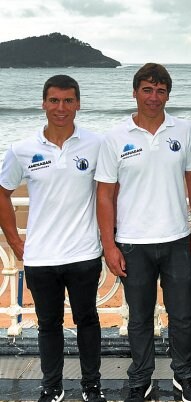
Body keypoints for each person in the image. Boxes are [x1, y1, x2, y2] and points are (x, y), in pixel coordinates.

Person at [95, 63, 191, 402]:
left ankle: (184, 376)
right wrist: (109, 244)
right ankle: (140, 378)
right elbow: (105, 193)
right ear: (135, 92)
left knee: (183, 315)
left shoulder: (183, 130)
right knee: (139, 318)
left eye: (160, 91)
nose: (153, 97)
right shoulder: (115, 137)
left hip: (176, 239)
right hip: (132, 244)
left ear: (168, 94)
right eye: (147, 89)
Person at [0, 75, 105, 402]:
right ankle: (52, 387)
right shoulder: (21, 150)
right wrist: (15, 242)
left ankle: (91, 387)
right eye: (55, 100)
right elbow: (3, 194)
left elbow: (109, 193)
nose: (61, 108)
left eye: (68, 101)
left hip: (84, 253)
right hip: (41, 257)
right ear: (44, 103)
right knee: (49, 326)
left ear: (78, 103)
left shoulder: (96, 144)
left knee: (88, 320)